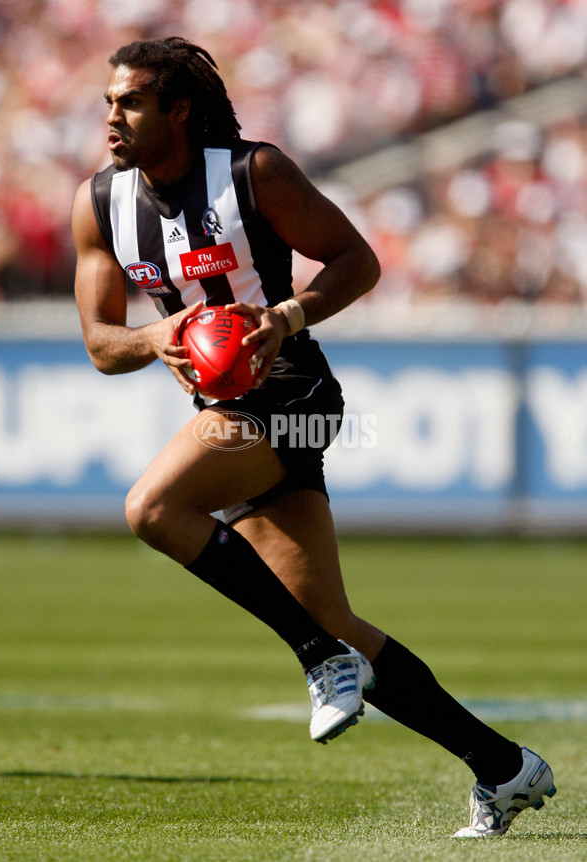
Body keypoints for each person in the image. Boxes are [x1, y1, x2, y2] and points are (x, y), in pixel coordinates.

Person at [71, 37, 556, 838]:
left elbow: (356, 262)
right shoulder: (99, 204)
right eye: (108, 101)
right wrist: (156, 341)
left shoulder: (252, 173)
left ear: (178, 111)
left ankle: (313, 656)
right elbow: (100, 344)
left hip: (294, 393)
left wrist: (285, 315)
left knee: (151, 508)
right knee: (334, 616)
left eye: (130, 102)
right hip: (225, 414)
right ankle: (503, 767)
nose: (111, 116)